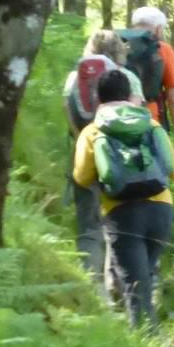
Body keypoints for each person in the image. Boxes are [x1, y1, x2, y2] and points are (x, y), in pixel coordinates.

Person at [72, 69, 174, 328]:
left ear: (99, 98)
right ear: (129, 94)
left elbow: (81, 177)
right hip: (161, 209)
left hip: (122, 214)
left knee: (136, 290)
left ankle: (148, 344)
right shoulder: (151, 124)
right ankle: (146, 331)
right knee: (145, 276)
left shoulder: (93, 131)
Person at [62, 30, 138, 282]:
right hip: (120, 159)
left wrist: (84, 140)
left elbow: (67, 111)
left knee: (88, 225)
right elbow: (133, 116)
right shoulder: (126, 77)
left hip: (83, 155)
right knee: (121, 222)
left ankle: (91, 285)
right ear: (119, 50)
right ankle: (121, 284)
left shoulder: (74, 77)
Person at [117, 6, 174, 158]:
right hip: (149, 122)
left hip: (113, 121)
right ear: (158, 29)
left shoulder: (116, 45)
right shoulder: (162, 49)